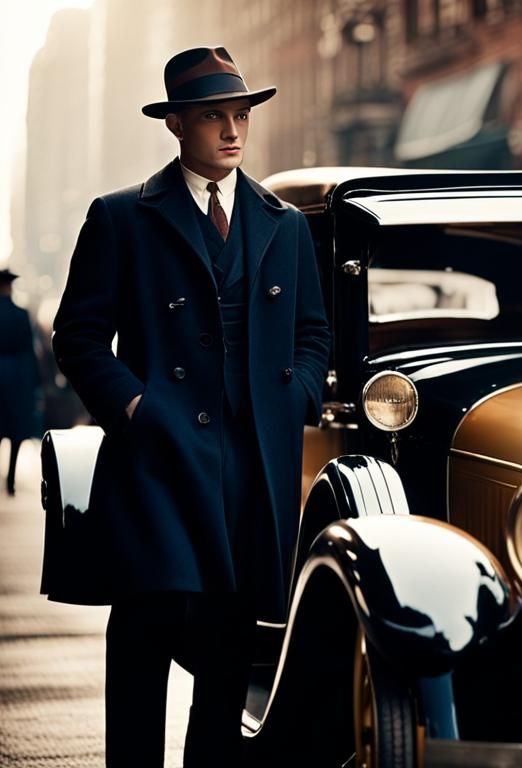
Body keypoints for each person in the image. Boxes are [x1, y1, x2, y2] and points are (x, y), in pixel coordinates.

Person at [51, 47, 330, 767]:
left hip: (253, 466)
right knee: (147, 624)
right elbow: (78, 338)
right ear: (176, 124)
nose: (233, 131)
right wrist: (138, 407)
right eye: (214, 117)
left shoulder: (284, 224)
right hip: (158, 460)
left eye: (240, 116)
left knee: (230, 643)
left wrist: (292, 396)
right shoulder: (121, 218)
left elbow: (313, 332)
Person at [0, 268, 40, 495]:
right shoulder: (20, 314)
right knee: (15, 432)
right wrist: (35, 381)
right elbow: (28, 351)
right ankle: (11, 481)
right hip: (16, 380)